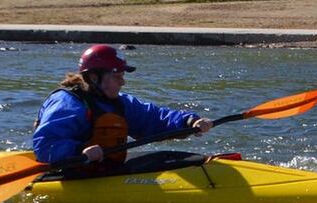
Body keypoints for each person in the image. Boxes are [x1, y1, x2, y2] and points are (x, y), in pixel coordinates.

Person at [32, 44, 211, 171]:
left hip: (105, 171)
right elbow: (45, 145)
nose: (123, 82)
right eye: (117, 77)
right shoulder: (67, 103)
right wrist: (78, 151)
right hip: (70, 174)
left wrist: (190, 121)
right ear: (94, 77)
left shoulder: (120, 103)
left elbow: (154, 119)